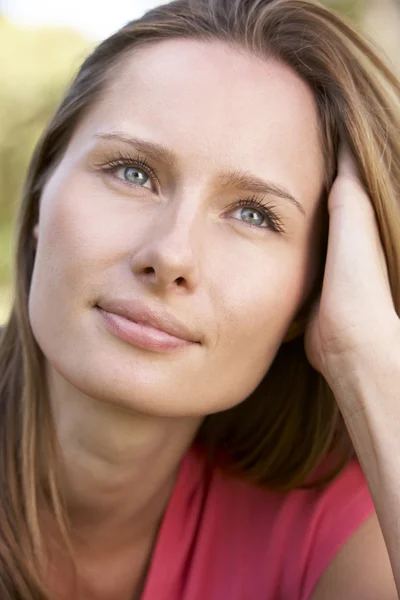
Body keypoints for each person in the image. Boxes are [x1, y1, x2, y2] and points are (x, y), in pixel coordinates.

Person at [0, 0, 400, 597]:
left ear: (315, 290)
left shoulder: (330, 530)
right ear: (40, 197)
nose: (170, 256)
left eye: (253, 214)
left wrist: (370, 360)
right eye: (133, 172)